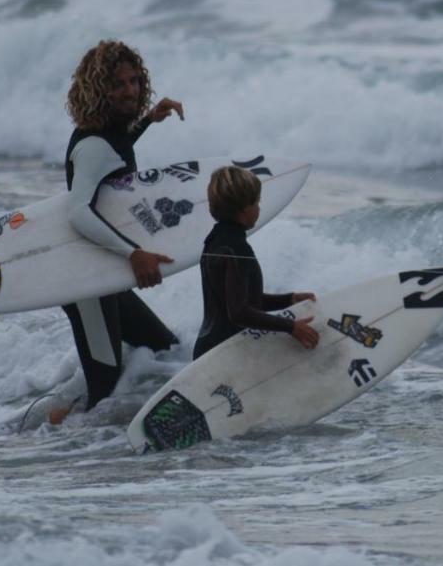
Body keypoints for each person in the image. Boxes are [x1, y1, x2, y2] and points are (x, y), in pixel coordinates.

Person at [52, 40, 184, 423]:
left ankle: (75, 420)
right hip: (87, 283)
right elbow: (78, 213)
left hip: (104, 272)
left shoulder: (109, 132)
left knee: (163, 348)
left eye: (135, 81)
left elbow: (117, 152)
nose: (131, 91)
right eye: (119, 84)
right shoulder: (94, 144)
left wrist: (147, 121)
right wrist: (134, 254)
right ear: (99, 90)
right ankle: (63, 439)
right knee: (104, 387)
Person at [193, 165, 319, 359]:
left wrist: (288, 299)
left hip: (208, 348)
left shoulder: (214, 241)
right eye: (257, 203)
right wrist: (291, 327)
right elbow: (239, 312)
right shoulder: (237, 248)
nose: (259, 208)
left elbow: (242, 300)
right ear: (244, 209)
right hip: (223, 355)